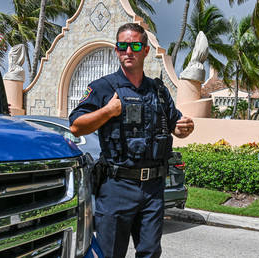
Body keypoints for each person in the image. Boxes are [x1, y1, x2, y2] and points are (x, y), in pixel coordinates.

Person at [69, 23, 194, 258]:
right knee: (110, 254)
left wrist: (184, 128)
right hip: (117, 187)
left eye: (135, 45)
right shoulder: (103, 87)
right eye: (123, 46)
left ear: (145, 50)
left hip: (153, 189)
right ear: (117, 50)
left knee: (149, 252)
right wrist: (107, 111)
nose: (129, 51)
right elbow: (76, 127)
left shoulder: (158, 90)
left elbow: (176, 125)